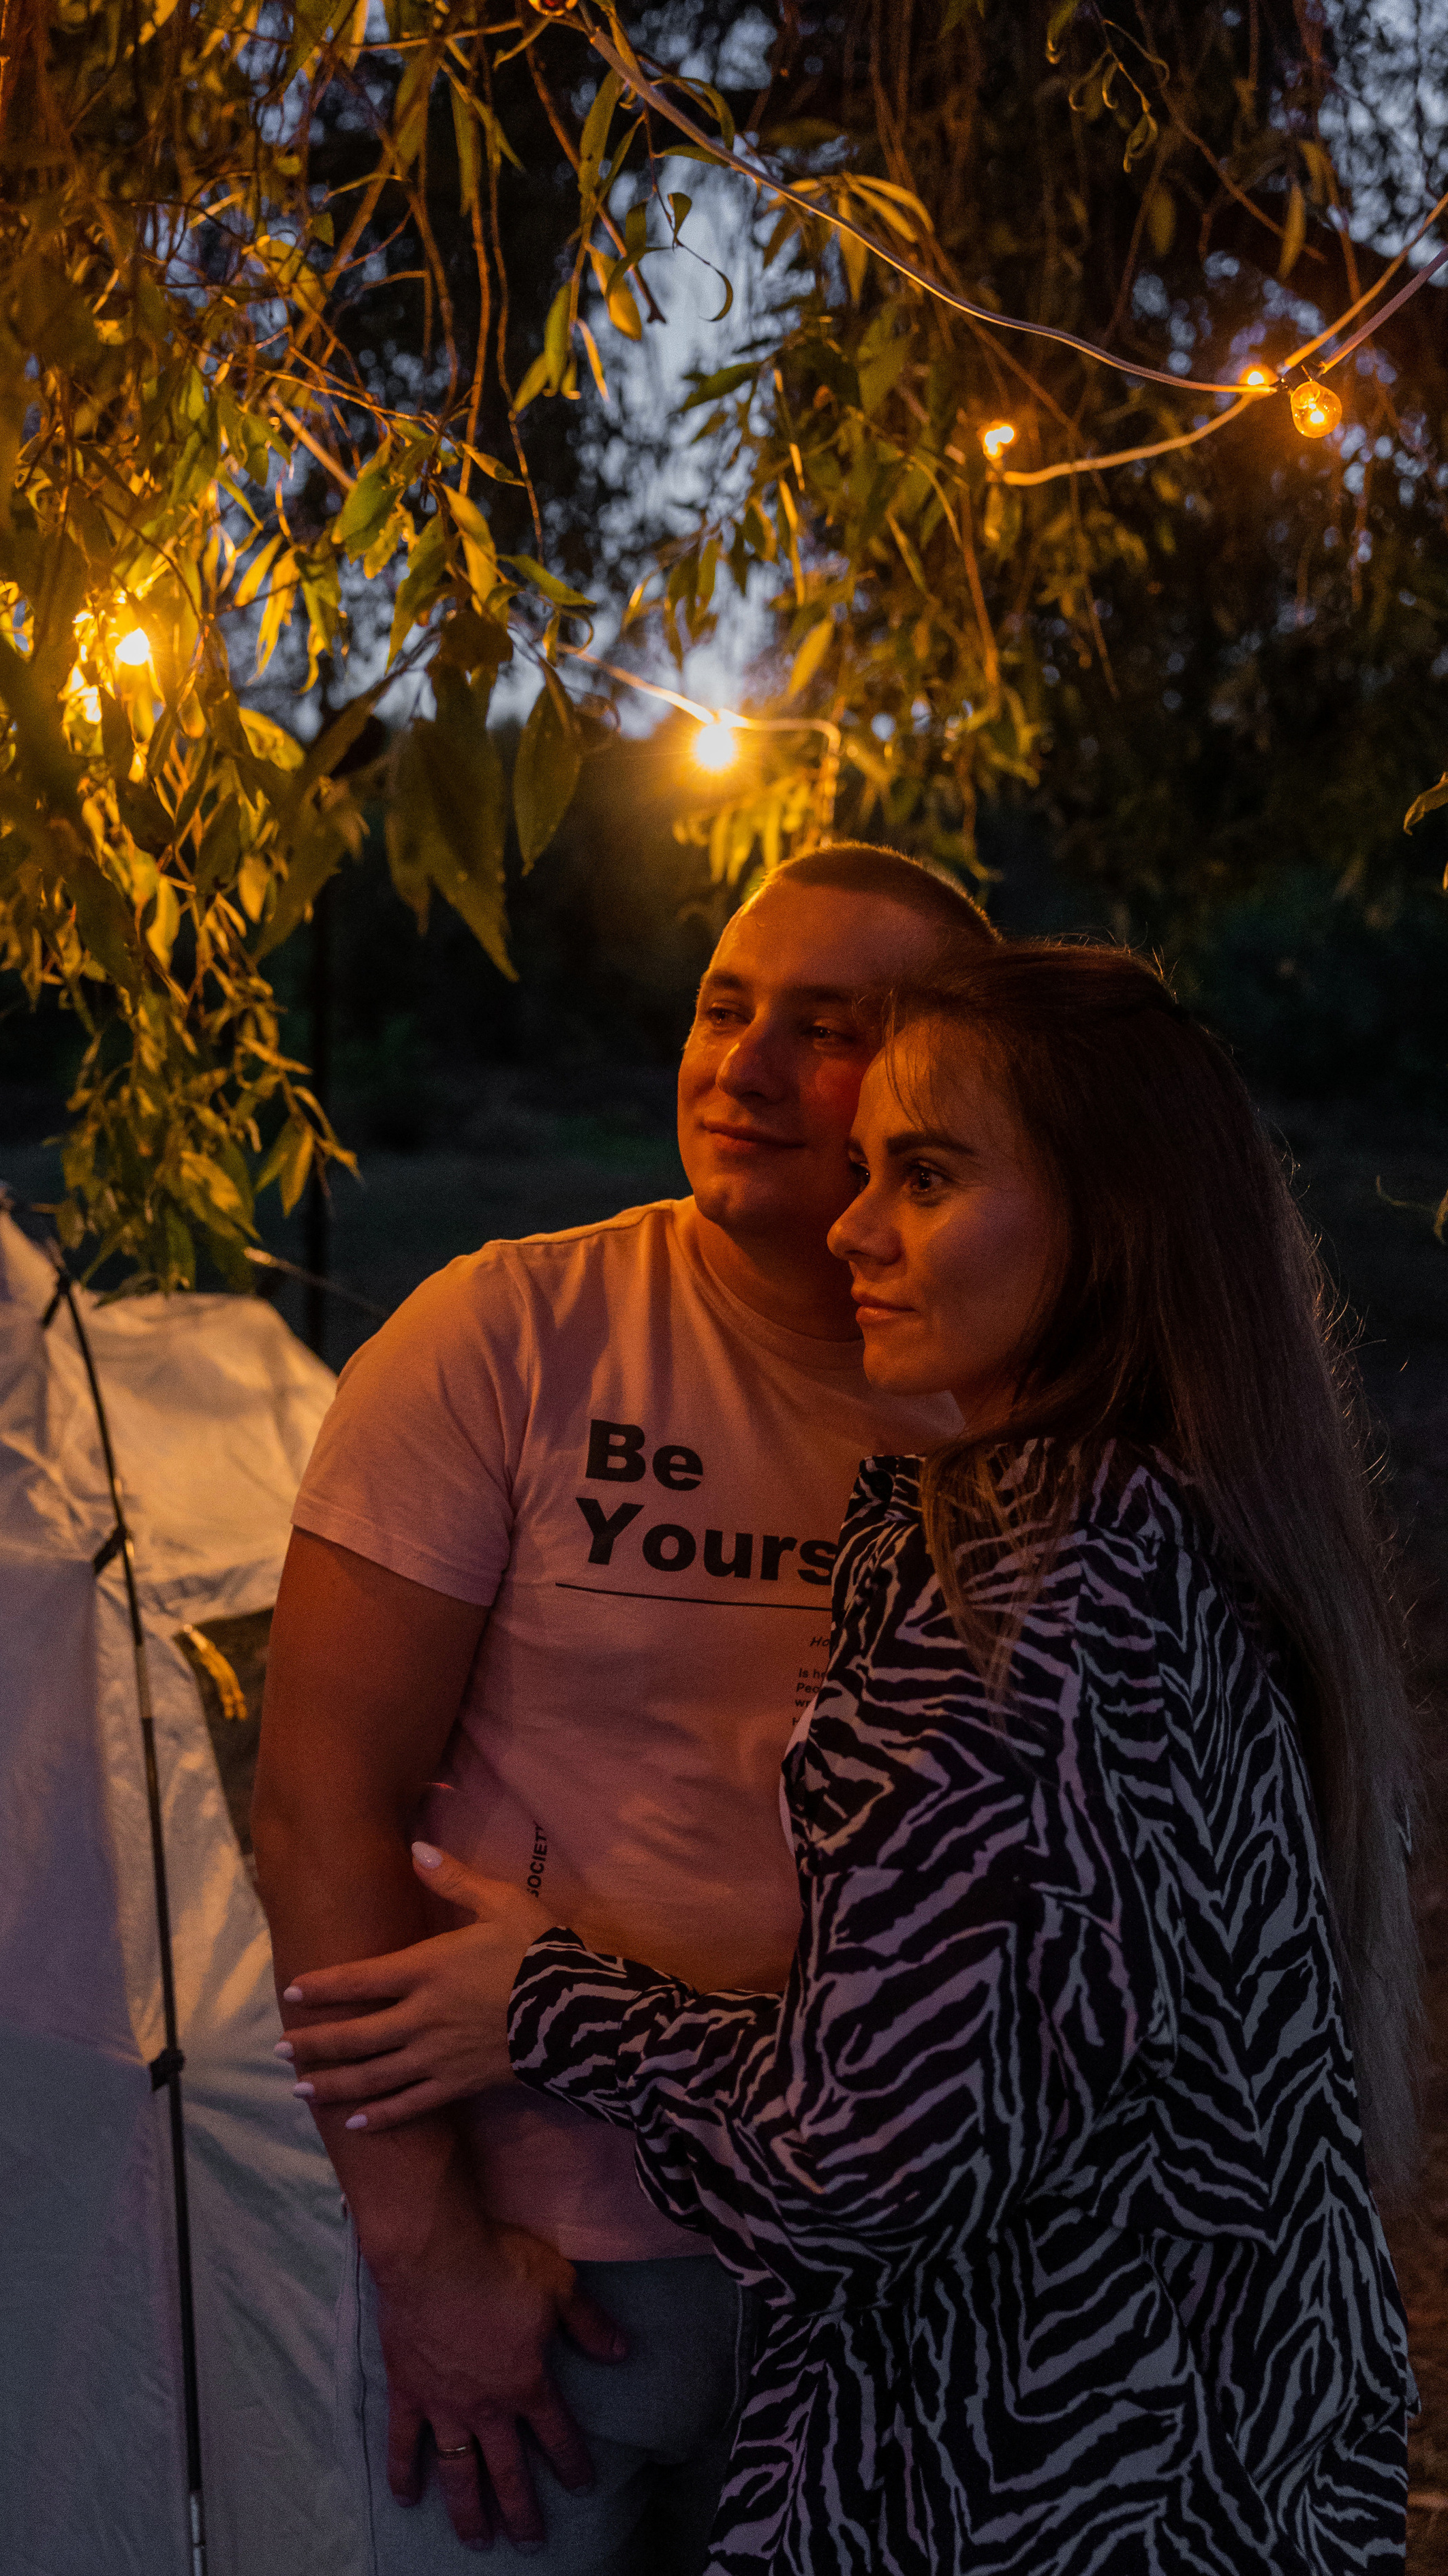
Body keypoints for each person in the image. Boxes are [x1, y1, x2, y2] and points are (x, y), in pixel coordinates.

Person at [281, 941, 1418, 2575]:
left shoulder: (1023, 1580)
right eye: (869, 1170)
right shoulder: (1199, 1521)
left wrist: (540, 1998)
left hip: (1015, 2468)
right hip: (1223, 2439)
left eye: (928, 1176)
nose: (855, 1227)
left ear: (1114, 1214)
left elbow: (853, 2161)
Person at [251, 846, 997, 2567]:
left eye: (827, 1028)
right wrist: (424, 2250)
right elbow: (321, 1813)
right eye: (722, 1005)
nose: (738, 1066)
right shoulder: (504, 1336)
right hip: (552, 2266)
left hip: (895, 2272)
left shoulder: (1019, 1399)